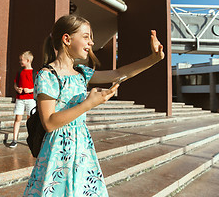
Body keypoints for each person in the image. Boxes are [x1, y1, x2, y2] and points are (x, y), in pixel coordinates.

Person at [23, 15, 164, 196]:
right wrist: (89, 103)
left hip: (81, 146)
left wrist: (153, 58)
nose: (91, 42)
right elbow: (49, 123)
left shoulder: (82, 73)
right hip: (58, 149)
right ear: (67, 39)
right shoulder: (47, 75)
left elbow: (118, 73)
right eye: (86, 36)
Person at [9, 51, 36, 148]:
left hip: (30, 99)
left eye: (22, 60)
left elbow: (37, 87)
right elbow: (15, 83)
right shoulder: (20, 72)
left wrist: (29, 90)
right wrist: (17, 89)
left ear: (28, 60)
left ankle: (31, 139)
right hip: (20, 99)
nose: (20, 61)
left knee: (31, 120)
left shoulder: (35, 73)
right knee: (18, 118)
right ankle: (14, 139)